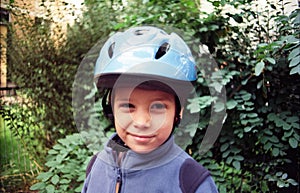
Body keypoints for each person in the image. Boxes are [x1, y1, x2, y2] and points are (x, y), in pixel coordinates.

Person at [81, 26, 219, 193]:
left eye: (158, 107)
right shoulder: (97, 165)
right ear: (111, 108)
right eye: (128, 106)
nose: (141, 122)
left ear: (178, 111)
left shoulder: (190, 182)